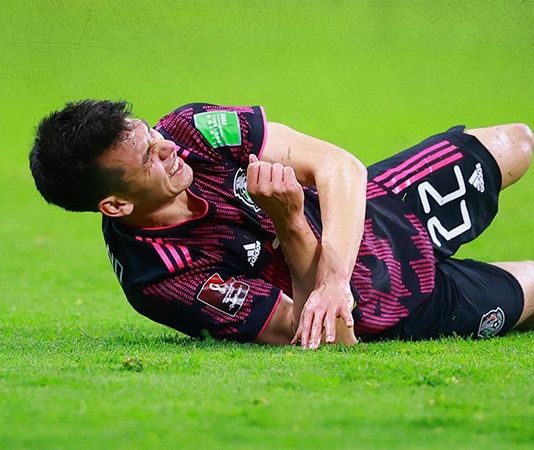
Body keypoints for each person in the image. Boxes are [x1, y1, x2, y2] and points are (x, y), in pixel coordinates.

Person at [29, 100, 534, 349]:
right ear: (115, 205)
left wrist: (333, 275)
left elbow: (338, 164)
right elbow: (321, 333)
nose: (168, 146)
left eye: (150, 133)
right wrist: (288, 221)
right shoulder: (164, 277)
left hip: (377, 208)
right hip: (389, 304)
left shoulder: (190, 129)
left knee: (519, 141)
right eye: (149, 157)